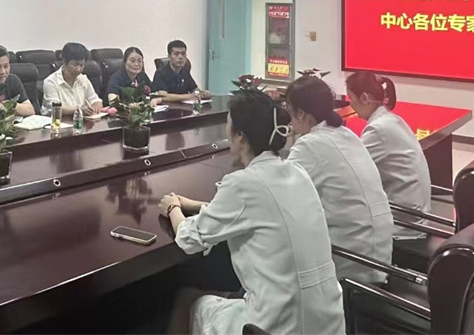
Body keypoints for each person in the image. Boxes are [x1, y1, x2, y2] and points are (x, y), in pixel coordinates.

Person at [158, 91, 344, 335]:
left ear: (240, 136)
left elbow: (188, 239)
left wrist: (172, 207)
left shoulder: (242, 184)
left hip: (279, 326)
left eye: (228, 125)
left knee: (187, 299)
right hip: (328, 321)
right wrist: (195, 205)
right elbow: (258, 211)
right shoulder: (296, 172)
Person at [285, 74, 394, 282]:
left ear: (301, 114)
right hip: (379, 256)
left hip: (352, 262)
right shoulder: (347, 134)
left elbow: (282, 198)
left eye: (289, 111)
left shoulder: (309, 145)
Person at [346, 71, 431, 239]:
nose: (351, 105)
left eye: (351, 99)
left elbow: (350, 170)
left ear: (364, 98)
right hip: (416, 215)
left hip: (403, 222)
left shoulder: (378, 129)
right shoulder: (392, 120)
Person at [42, 42, 102, 117]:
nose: (78, 69)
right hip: (57, 121)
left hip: (80, 121)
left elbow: (95, 100)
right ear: (64, 61)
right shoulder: (51, 81)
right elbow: (56, 107)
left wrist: (95, 108)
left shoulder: (83, 79)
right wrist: (79, 110)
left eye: (81, 65)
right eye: (75, 65)